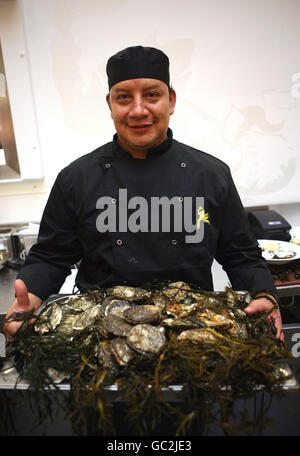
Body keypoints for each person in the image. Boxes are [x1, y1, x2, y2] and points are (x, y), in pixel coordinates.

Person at [4, 46, 283, 340]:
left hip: (190, 333)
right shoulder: (76, 179)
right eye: (124, 97)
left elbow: (241, 254)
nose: (138, 110)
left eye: (152, 95)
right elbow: (51, 256)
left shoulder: (211, 175)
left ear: (171, 101)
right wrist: (30, 296)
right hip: (101, 338)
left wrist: (264, 292)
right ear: (110, 104)